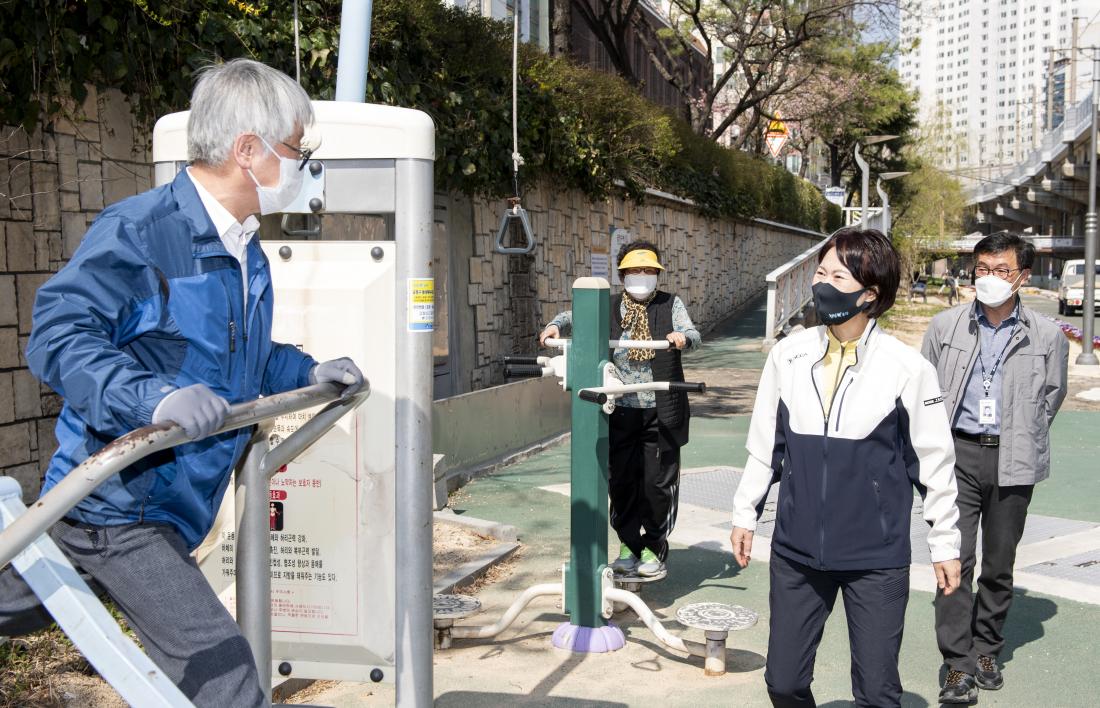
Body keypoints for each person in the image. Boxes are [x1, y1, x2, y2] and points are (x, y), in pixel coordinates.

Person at [0, 59, 364, 707]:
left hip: (158, 508)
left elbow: (242, 359)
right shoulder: (141, 233)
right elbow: (59, 335)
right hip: (120, 509)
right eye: (296, 150)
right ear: (246, 150)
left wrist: (308, 372)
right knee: (228, 684)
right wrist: (156, 399)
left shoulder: (243, 246)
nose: (304, 167)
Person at [730, 227, 962, 708]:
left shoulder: (906, 367)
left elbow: (934, 464)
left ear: (870, 293)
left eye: (838, 276)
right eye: (821, 272)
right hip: (796, 550)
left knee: (876, 692)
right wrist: (744, 512)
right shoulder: (789, 355)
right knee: (783, 683)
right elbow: (764, 444)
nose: (823, 283)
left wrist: (945, 544)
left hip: (876, 557)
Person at [921, 232, 1068, 704]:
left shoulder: (1046, 335)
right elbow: (925, 391)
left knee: (999, 563)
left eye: (1001, 270)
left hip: (1013, 456)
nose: (989, 278)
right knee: (954, 558)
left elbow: (1052, 396)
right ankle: (957, 663)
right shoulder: (945, 326)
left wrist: (1022, 431)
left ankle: (986, 649)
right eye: (982, 269)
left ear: (1022, 276)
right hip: (956, 454)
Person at [539, 241, 700, 577]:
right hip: (619, 408)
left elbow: (692, 334)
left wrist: (681, 338)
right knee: (622, 481)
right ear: (623, 275)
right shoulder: (610, 306)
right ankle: (629, 544)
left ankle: (654, 546)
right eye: (634, 271)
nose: (642, 276)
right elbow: (572, 316)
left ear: (657, 274)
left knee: (656, 484)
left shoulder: (670, 304)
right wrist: (555, 326)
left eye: (648, 271)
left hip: (660, 409)